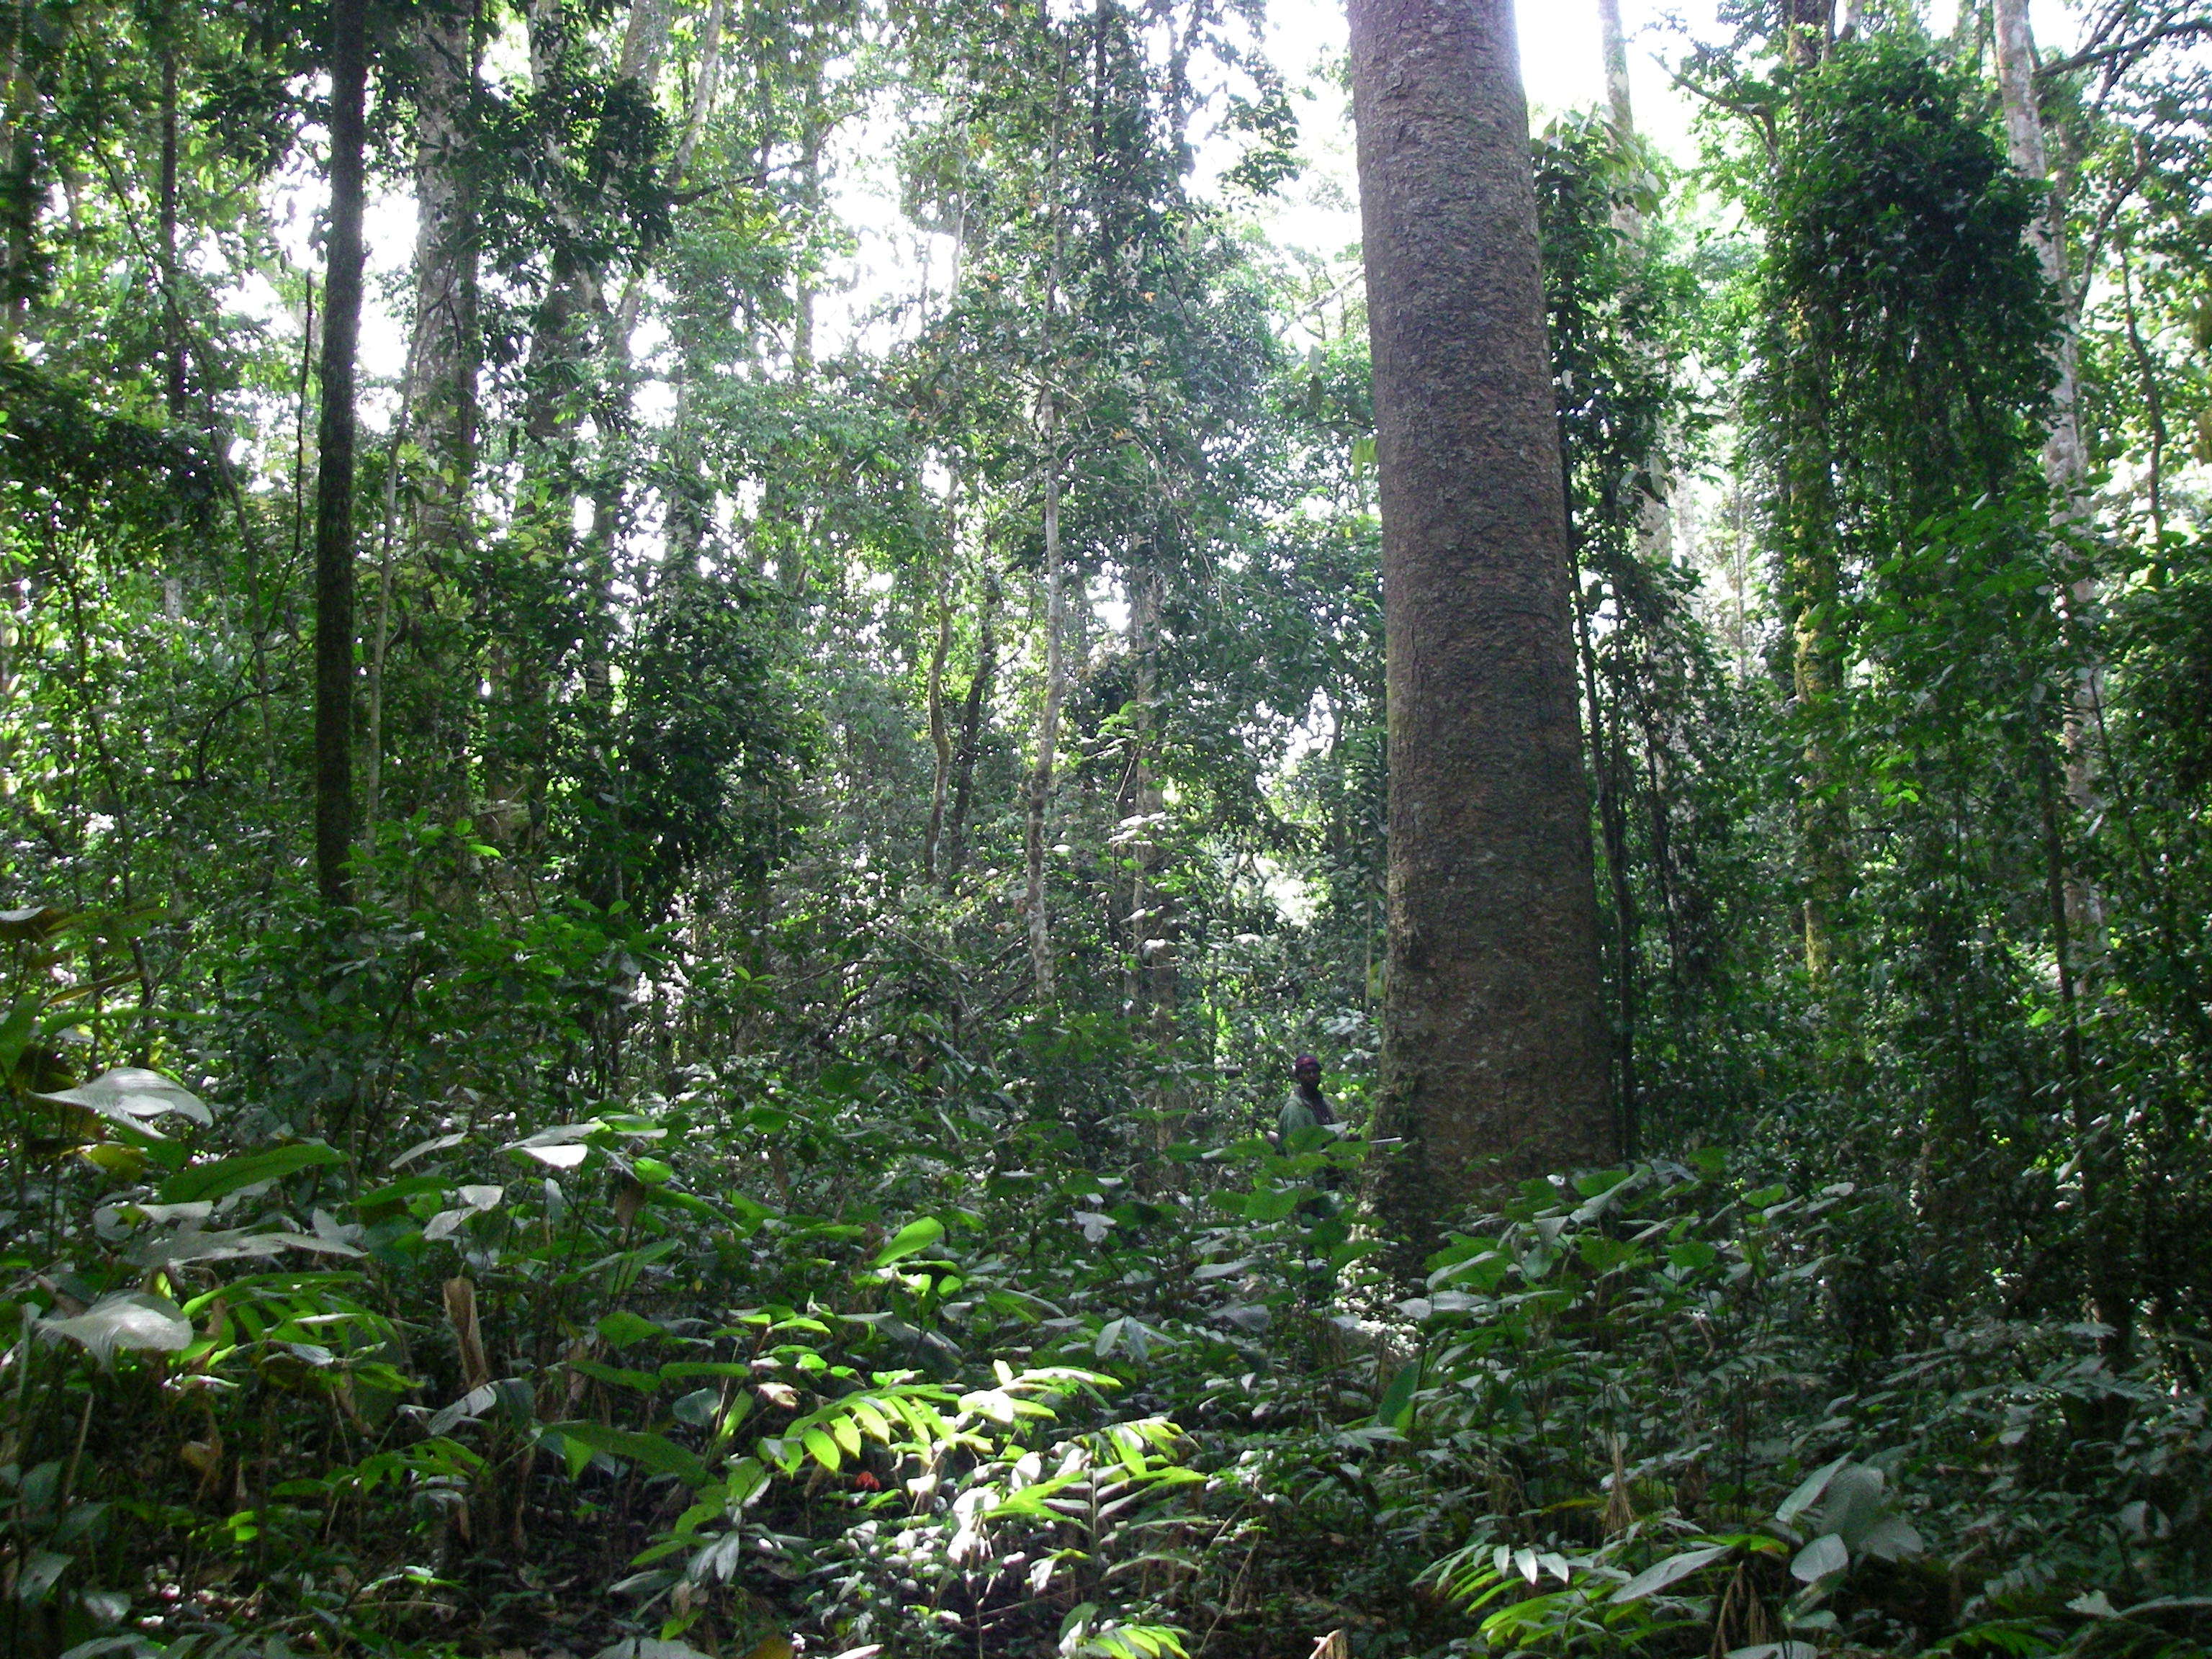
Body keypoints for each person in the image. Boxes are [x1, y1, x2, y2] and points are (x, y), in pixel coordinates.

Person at [1275, 1053, 1339, 1145]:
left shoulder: (1323, 1102)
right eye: (1307, 1072)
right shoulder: (1294, 1108)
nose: (1312, 1075)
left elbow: (1335, 1132)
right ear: (1298, 1077)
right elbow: (1296, 1148)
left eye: (1315, 1071)